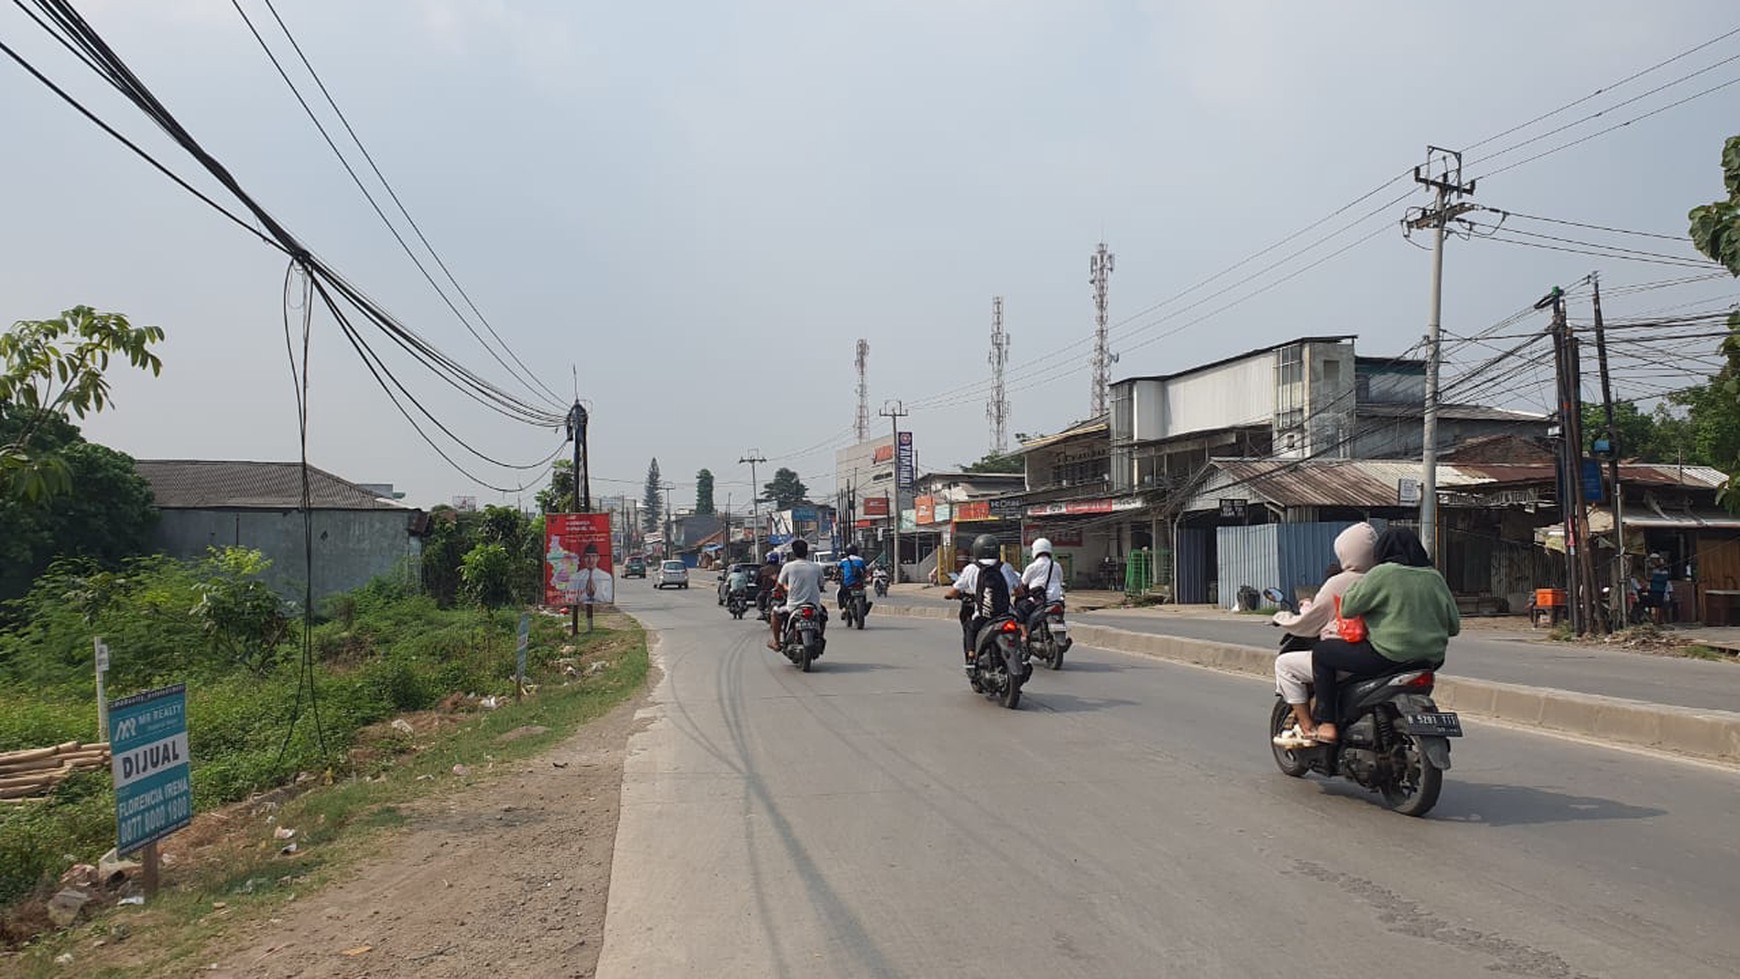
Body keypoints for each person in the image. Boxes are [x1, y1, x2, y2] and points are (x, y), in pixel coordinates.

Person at [1310, 527, 1459, 744]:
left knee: (1322, 653)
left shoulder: (1383, 573)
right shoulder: (1435, 577)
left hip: (1386, 656)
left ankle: (1327, 723)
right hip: (1430, 660)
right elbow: (1454, 626)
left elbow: (1349, 607)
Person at [1269, 523, 1378, 747]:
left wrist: (1283, 618)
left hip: (1346, 656)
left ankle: (1309, 728)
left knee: (1285, 665)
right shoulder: (1384, 578)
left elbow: (1309, 624)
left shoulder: (1339, 583)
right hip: (1380, 655)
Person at [944, 534, 1024, 673]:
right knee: (1017, 630)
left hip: (983, 617)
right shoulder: (1006, 567)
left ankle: (971, 657)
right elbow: (1019, 591)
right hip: (1006, 615)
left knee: (970, 628)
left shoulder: (971, 569)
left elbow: (954, 591)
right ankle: (1022, 654)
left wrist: (948, 596)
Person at [770, 539, 827, 651]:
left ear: (794, 552)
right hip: (814, 606)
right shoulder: (816, 567)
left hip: (793, 607)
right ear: (806, 552)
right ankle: (820, 637)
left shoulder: (788, 567)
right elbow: (821, 585)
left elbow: (779, 586)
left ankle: (776, 642)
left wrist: (787, 591)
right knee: (823, 615)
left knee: (775, 613)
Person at [1016, 537, 1066, 634]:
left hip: (1039, 601)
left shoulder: (1032, 567)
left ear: (1035, 550)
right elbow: (1060, 580)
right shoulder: (1056, 565)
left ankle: (1024, 635)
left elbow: (1022, 583)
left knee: (1019, 609)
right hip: (1056, 601)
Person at [837, 544, 869, 610]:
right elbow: (865, 570)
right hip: (859, 583)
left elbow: (837, 570)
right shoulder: (861, 560)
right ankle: (865, 606)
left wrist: (834, 577)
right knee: (864, 593)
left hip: (847, 584)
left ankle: (843, 608)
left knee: (839, 593)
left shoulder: (843, 561)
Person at [755, 552, 781, 620]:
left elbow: (757, 581)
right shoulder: (782, 568)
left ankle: (762, 612)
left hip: (769, 590)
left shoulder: (763, 570)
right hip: (779, 590)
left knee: (759, 598)